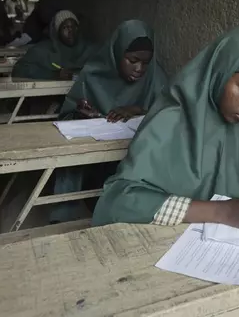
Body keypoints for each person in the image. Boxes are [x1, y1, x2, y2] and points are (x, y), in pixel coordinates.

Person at [92, 26, 239, 317]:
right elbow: (120, 198)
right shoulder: (170, 120)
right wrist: (222, 211)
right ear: (219, 74)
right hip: (180, 262)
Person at [50, 19, 168, 224]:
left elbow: (171, 116)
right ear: (116, 52)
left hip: (136, 164)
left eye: (145, 62)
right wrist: (85, 114)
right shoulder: (94, 73)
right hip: (97, 163)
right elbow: (67, 117)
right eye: (132, 60)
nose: (140, 68)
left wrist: (140, 110)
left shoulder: (155, 76)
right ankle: (64, 214)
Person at [11, 10, 98, 80]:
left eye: (73, 27)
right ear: (57, 32)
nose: (70, 31)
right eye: (65, 27)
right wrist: (54, 75)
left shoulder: (89, 50)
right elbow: (18, 70)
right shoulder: (44, 51)